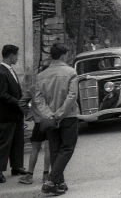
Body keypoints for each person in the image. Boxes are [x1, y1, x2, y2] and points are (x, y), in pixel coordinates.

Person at [33, 43, 79, 195]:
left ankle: (60, 182)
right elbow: (72, 96)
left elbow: (38, 100)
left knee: (54, 150)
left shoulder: (41, 76)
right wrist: (59, 114)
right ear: (63, 55)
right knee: (67, 148)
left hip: (49, 118)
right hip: (68, 116)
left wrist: (50, 115)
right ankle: (51, 181)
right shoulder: (71, 72)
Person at [18, 68, 50, 185]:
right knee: (48, 148)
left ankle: (30, 175)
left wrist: (29, 114)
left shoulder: (33, 87)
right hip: (50, 120)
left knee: (35, 149)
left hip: (38, 122)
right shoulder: (51, 86)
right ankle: (46, 175)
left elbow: (22, 102)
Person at [0, 45, 26, 184]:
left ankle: (16, 166)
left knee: (18, 140)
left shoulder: (9, 70)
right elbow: (2, 95)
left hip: (16, 113)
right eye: (16, 56)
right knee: (5, 142)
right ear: (11, 56)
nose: (17, 58)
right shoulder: (1, 72)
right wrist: (19, 102)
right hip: (6, 114)